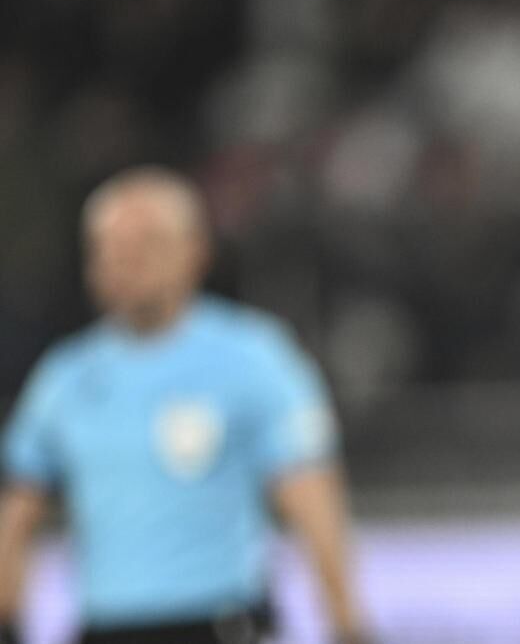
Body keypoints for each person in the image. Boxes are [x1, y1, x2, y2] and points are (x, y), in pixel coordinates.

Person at [0, 167, 366, 644]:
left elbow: (312, 500)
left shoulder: (253, 358)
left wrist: (347, 623)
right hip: (105, 628)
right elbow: (17, 513)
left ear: (196, 251)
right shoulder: (66, 377)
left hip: (218, 622)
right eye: (109, 246)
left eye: (147, 242)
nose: (126, 259)